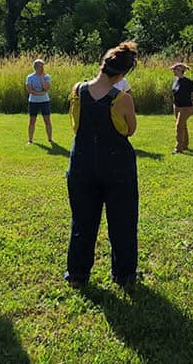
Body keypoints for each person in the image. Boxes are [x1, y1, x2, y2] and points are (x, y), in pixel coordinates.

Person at [65, 42, 140, 289]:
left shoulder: (78, 90)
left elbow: (75, 124)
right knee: (123, 222)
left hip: (81, 162)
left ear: (102, 64)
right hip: (117, 164)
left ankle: (77, 275)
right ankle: (124, 275)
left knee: (82, 221)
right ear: (122, 75)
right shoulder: (123, 99)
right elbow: (129, 130)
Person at [170, 62, 193, 154]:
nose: (174, 71)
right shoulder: (175, 80)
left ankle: (179, 147)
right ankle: (185, 144)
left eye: (176, 70)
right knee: (182, 125)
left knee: (179, 125)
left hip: (186, 107)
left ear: (181, 71)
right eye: (173, 69)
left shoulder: (188, 82)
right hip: (177, 106)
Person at [26, 59, 54, 144]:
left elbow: (47, 88)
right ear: (35, 67)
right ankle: (30, 140)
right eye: (40, 66)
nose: (42, 68)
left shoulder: (47, 77)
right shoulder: (30, 77)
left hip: (45, 101)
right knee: (32, 121)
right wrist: (40, 93)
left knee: (47, 120)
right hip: (33, 102)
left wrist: (42, 78)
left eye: (42, 66)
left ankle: (50, 139)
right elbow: (29, 90)